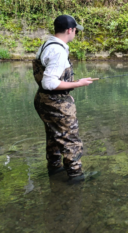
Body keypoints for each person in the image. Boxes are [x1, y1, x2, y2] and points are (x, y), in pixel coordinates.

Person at [33, 15, 93, 182]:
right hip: (55, 103)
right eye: (75, 31)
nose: (75, 34)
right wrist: (79, 83)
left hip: (43, 99)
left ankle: (54, 169)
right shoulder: (58, 51)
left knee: (53, 136)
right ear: (69, 30)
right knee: (71, 140)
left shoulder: (48, 44)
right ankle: (76, 177)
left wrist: (66, 92)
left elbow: (47, 81)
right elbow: (50, 82)